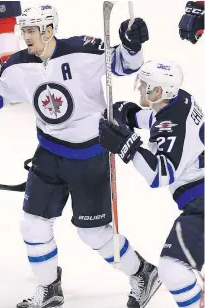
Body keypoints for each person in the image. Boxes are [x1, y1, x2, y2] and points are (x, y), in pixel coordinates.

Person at [0, 5, 160, 308]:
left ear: (49, 30)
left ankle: (144, 273)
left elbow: (123, 64)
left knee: (94, 234)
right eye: (23, 31)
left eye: (30, 31)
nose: (25, 37)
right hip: (49, 154)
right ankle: (49, 287)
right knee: (33, 224)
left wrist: (132, 43)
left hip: (90, 156)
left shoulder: (82, 50)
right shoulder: (18, 66)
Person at [99, 60, 204, 308]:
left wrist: (128, 145)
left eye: (144, 85)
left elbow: (160, 175)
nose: (139, 89)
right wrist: (133, 116)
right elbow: (160, 118)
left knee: (173, 269)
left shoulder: (171, 126)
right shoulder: (181, 100)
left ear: (158, 91)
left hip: (201, 206)